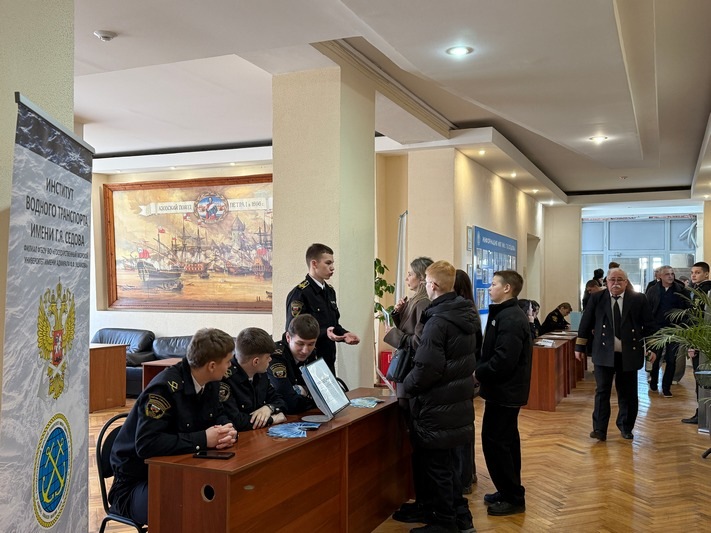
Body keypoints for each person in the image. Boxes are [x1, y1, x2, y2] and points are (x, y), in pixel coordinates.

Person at [109, 328, 238, 526]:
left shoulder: (210, 382)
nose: (230, 366)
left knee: (223, 500)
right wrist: (203, 439)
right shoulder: (164, 389)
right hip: (137, 483)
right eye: (228, 361)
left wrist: (226, 430)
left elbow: (218, 414)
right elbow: (147, 444)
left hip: (182, 472)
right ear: (212, 366)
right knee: (190, 509)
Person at [396, 261, 478, 533]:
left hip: (437, 404)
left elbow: (427, 368)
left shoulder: (438, 321)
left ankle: (444, 523)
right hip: (455, 402)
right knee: (448, 465)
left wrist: (406, 386)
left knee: (438, 468)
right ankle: (460, 518)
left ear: (432, 285)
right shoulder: (464, 313)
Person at [575, 268, 658, 441]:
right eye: (612, 279)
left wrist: (652, 348)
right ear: (606, 282)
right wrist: (579, 347)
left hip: (629, 353)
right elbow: (586, 322)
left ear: (626, 282)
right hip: (603, 352)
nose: (616, 283)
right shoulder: (597, 298)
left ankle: (626, 427)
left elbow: (649, 325)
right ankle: (599, 429)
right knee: (602, 391)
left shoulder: (638, 299)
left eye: (620, 279)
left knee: (628, 393)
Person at [475, 270, 532, 517]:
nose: (490, 287)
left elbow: (504, 360)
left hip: (505, 391)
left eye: (494, 284)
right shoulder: (505, 313)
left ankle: (513, 497)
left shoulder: (510, 317)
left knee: (497, 443)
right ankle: (508, 489)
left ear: (507, 288)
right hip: (502, 391)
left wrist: (478, 372)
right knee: (504, 442)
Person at [285, 243, 359, 375]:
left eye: (332, 263)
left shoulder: (329, 291)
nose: (332, 267)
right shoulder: (300, 293)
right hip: (309, 360)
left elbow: (333, 325)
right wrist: (325, 333)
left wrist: (345, 335)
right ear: (314, 264)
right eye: (328, 263)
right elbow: (295, 330)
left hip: (328, 358)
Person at [220, 327, 287, 431]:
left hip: (259, 433)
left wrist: (269, 408)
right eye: (267, 357)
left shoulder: (260, 373)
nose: (270, 359)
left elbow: (280, 400)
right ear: (256, 361)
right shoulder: (225, 378)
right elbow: (235, 421)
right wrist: (272, 419)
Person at [452, 269, 482, 495]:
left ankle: (463, 477)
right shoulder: (471, 310)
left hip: (458, 379)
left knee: (459, 430)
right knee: (466, 427)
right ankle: (468, 473)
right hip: (467, 377)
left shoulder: (458, 311)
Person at [645, 265, 690, 397]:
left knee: (671, 359)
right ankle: (653, 381)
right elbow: (647, 309)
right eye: (667, 274)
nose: (670, 276)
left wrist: (683, 326)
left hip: (674, 329)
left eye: (672, 274)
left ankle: (666, 387)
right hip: (656, 330)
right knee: (655, 358)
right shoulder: (653, 290)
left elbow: (687, 309)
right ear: (660, 276)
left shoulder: (680, 290)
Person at [267, 314, 320, 414]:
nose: (305, 350)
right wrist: (310, 397)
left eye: (311, 344)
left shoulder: (312, 353)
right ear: (288, 337)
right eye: (300, 344)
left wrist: (302, 391)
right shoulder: (276, 357)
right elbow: (290, 402)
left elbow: (324, 392)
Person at [682, 261, 711, 424]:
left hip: (702, 341)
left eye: (697, 272)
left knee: (702, 378)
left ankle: (703, 414)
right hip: (700, 340)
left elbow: (698, 319)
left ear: (706, 274)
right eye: (692, 272)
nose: (693, 275)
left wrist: (693, 343)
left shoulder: (705, 290)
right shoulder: (697, 289)